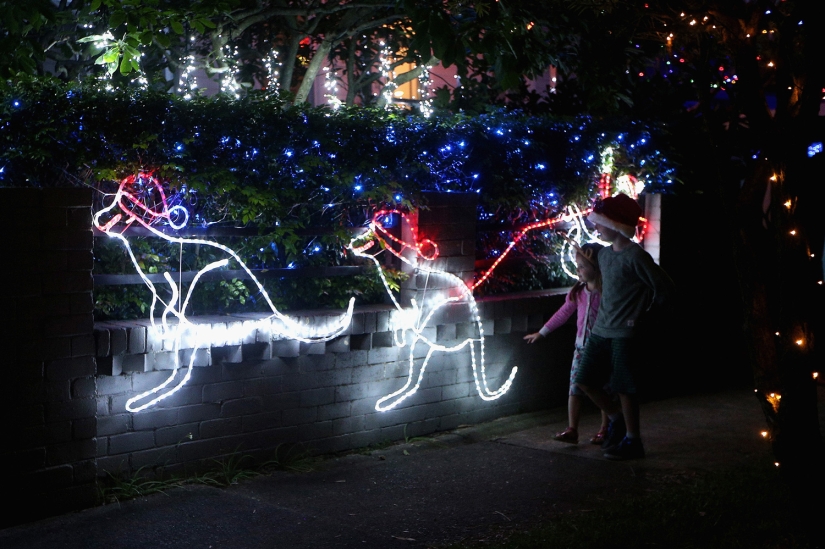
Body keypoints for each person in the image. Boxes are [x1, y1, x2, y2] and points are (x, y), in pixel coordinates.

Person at [575, 193, 675, 461]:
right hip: (601, 329)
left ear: (616, 225)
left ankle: (633, 440)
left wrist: (647, 316)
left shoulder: (636, 257)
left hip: (625, 332)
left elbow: (663, 288)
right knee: (584, 380)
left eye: (599, 223)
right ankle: (617, 419)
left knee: (624, 386)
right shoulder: (605, 255)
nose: (595, 227)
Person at [524, 242, 610, 445]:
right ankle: (572, 428)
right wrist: (543, 332)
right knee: (575, 387)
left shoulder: (605, 293)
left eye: (582, 267)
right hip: (581, 348)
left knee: (604, 389)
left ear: (596, 268)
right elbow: (563, 313)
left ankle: (607, 427)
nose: (578, 271)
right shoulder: (579, 292)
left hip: (600, 348)